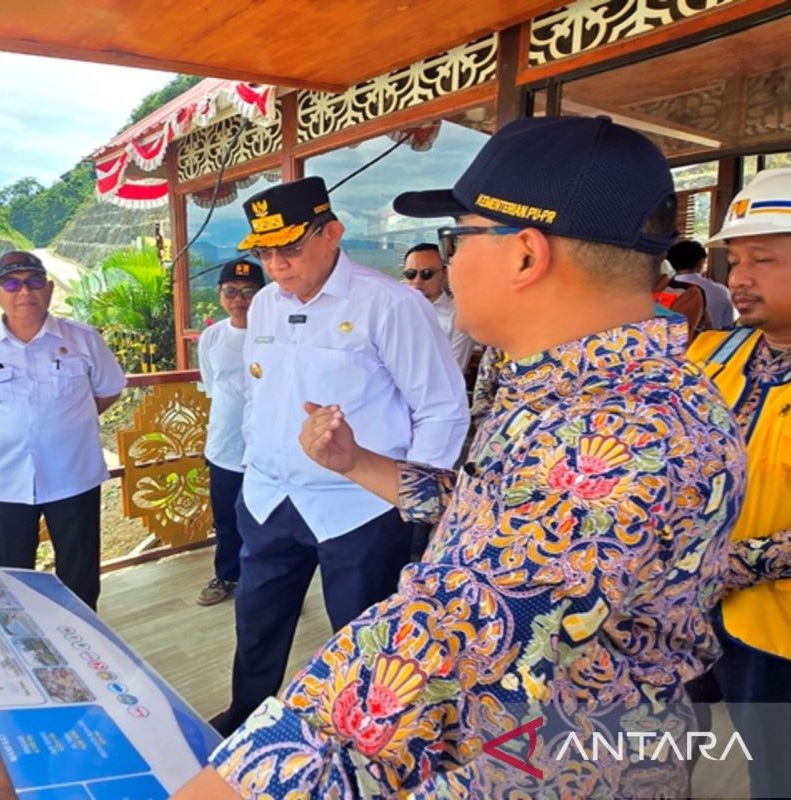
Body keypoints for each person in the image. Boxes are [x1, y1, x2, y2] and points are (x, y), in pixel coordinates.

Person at [176, 117, 746, 798]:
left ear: (525, 255)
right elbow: (503, 512)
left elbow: (443, 645)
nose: (447, 265)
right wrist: (359, 462)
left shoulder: (620, 432)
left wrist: (232, 783)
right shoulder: (579, 389)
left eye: (459, 237)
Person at [209, 176, 470, 735]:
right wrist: (254, 463)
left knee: (362, 639)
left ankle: (358, 740)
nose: (275, 264)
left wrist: (414, 505)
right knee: (257, 625)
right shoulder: (265, 307)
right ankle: (245, 720)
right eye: (264, 251)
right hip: (270, 498)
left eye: (289, 247)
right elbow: (260, 394)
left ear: (332, 232)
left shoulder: (389, 304)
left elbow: (442, 409)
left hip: (360, 508)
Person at [687, 166, 791, 798]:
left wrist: (729, 565)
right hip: (687, 618)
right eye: (735, 259)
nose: (739, 277)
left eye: (763, 259)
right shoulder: (709, 356)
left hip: (777, 635)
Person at [0, 250, 125, 611]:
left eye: (33, 282)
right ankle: (22, 639)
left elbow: (109, 389)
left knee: (79, 573)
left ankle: (81, 638)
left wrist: (69, 422)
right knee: (11, 577)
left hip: (73, 476)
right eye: (11, 284)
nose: (24, 292)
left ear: (49, 289)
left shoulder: (83, 339)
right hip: (5, 481)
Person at [195, 257, 265, 606]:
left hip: (265, 449)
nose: (240, 299)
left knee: (265, 523)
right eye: (231, 291)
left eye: (249, 292)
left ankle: (266, 587)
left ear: (262, 294)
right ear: (220, 294)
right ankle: (226, 576)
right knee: (225, 520)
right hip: (224, 446)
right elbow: (213, 386)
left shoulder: (274, 335)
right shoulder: (212, 336)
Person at [402, 242, 476, 369]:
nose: (417, 281)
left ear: (444, 274)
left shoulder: (459, 318)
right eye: (411, 274)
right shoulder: (392, 312)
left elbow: (452, 371)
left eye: (426, 273)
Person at [669, 238, 736, 329]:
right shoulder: (721, 291)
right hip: (710, 337)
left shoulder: (660, 290)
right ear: (701, 261)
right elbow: (727, 327)